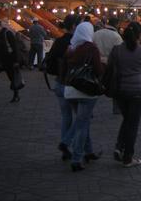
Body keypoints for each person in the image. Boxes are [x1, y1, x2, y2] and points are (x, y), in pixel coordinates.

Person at [108, 22, 141, 167]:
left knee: (127, 119)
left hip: (120, 90)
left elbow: (110, 65)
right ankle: (128, 157)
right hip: (137, 92)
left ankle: (119, 147)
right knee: (132, 124)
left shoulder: (117, 50)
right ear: (139, 35)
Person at [62, 22, 104, 172]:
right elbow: (98, 70)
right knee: (81, 124)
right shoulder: (91, 48)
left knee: (83, 122)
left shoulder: (71, 48)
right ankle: (76, 158)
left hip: (69, 90)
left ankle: (89, 152)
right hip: (85, 91)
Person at [45, 14, 80, 160]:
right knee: (82, 117)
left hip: (59, 83)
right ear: (73, 26)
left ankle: (66, 146)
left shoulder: (58, 41)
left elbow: (50, 62)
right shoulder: (75, 42)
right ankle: (67, 143)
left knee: (66, 116)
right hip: (72, 84)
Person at [93, 17, 123, 114]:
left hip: (97, 63)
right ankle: (116, 108)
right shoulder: (116, 36)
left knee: (95, 86)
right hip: (111, 64)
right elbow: (119, 53)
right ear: (117, 24)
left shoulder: (96, 34)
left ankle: (91, 108)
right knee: (115, 86)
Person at [0, 20, 22, 102]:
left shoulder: (7, 33)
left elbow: (15, 48)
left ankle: (16, 95)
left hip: (9, 60)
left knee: (12, 78)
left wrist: (16, 61)